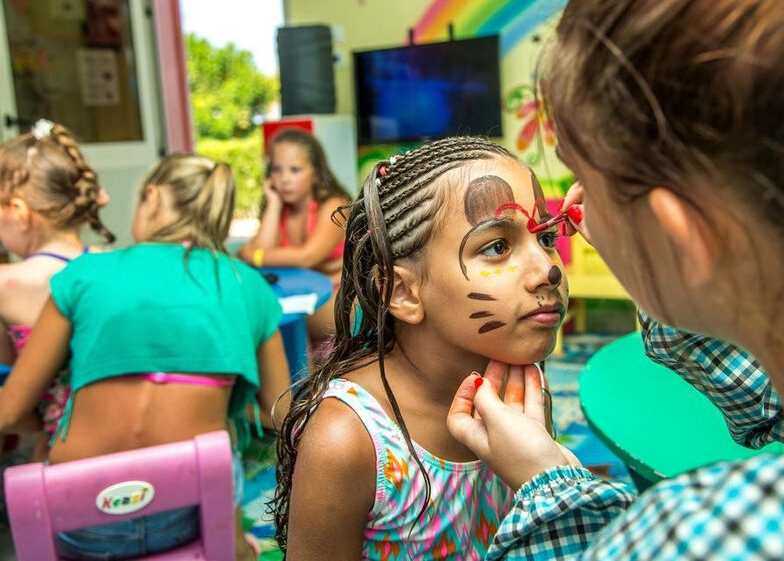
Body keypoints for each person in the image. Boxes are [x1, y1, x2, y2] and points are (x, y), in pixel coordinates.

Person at [446, 0, 784, 558]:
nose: (552, 258)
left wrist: (547, 489)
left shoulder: (688, 538)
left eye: (586, 178)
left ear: (681, 236)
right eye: (499, 244)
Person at [273, 136, 573, 558]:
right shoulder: (349, 439)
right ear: (403, 292)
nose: (548, 269)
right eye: (497, 247)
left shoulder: (520, 392)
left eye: (545, 238)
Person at [0, 153, 290, 560]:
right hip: (187, 516)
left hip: (82, 522)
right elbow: (283, 414)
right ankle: (240, 547)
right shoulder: (250, 284)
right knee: (225, 449)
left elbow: (10, 412)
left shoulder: (83, 275)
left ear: (151, 198)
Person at [0, 119, 114, 454]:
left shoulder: (8, 283)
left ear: (19, 213)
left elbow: (8, 381)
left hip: (61, 448)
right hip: (128, 436)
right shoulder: (114, 264)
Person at [238, 128, 350, 345]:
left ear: (317, 173)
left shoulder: (334, 206)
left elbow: (307, 257)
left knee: (270, 322)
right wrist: (273, 204)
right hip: (302, 300)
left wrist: (255, 256)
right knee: (264, 316)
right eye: (277, 170)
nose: (284, 179)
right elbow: (262, 255)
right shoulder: (282, 211)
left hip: (339, 296)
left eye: (295, 170)